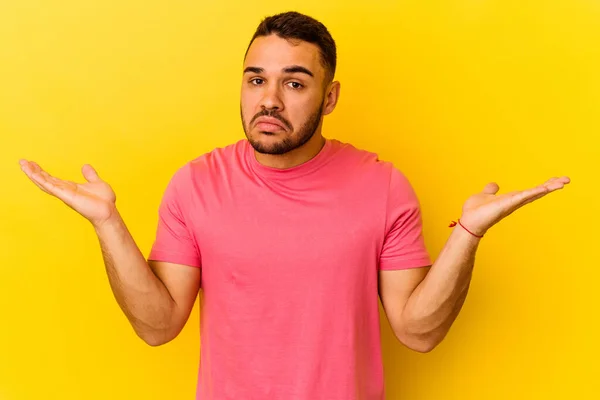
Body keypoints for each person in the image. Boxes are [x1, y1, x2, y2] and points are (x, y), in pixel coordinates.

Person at [19, 11, 569, 400]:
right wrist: (108, 224)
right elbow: (159, 325)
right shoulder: (195, 185)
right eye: (256, 79)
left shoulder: (383, 186)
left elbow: (417, 332)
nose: (270, 99)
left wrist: (467, 235)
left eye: (295, 83)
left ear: (329, 96)